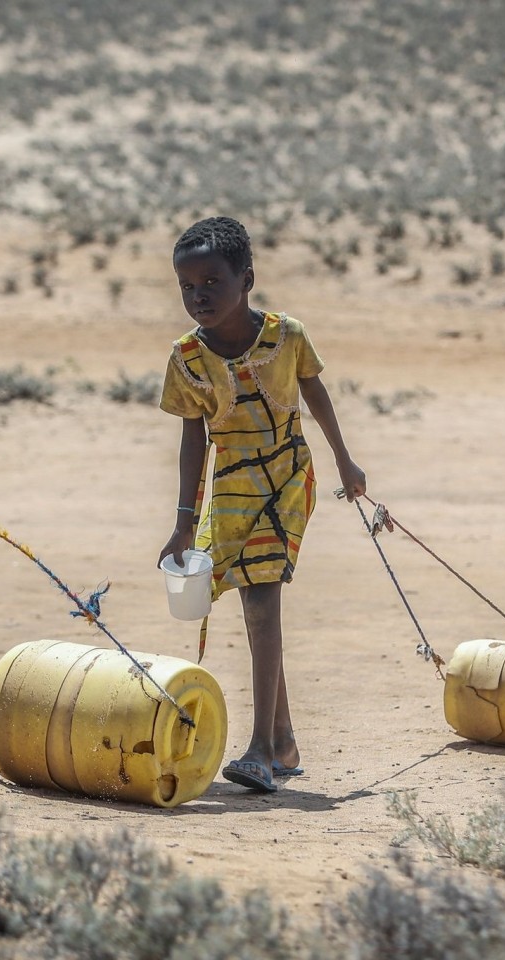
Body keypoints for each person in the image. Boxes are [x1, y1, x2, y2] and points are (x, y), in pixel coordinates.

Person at [157, 216, 369, 794]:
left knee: (261, 599)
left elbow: (314, 393)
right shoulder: (186, 358)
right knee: (251, 606)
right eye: (186, 287)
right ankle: (282, 739)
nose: (198, 297)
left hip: (285, 473)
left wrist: (345, 462)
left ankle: (258, 751)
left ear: (245, 279)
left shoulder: (287, 335)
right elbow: (192, 439)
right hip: (229, 485)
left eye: (211, 283)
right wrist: (182, 522)